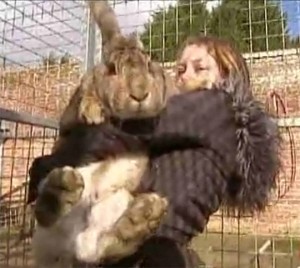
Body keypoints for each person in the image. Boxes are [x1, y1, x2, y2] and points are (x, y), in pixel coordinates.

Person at [103, 36, 280, 268]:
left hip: (149, 244)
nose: (185, 75)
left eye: (199, 68)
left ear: (226, 75)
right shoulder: (205, 124)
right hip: (149, 241)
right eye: (180, 69)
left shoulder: (218, 105)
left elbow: (149, 122)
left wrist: (101, 111)